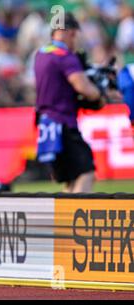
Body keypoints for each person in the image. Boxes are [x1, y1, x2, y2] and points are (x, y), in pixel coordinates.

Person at [34, 13, 104, 193]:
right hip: (63, 123)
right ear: (69, 32)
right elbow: (83, 87)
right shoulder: (64, 56)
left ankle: (61, 219)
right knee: (86, 171)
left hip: (46, 124)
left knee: (71, 179)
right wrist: (99, 93)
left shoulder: (41, 54)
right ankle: (75, 219)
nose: (75, 39)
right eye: (74, 34)